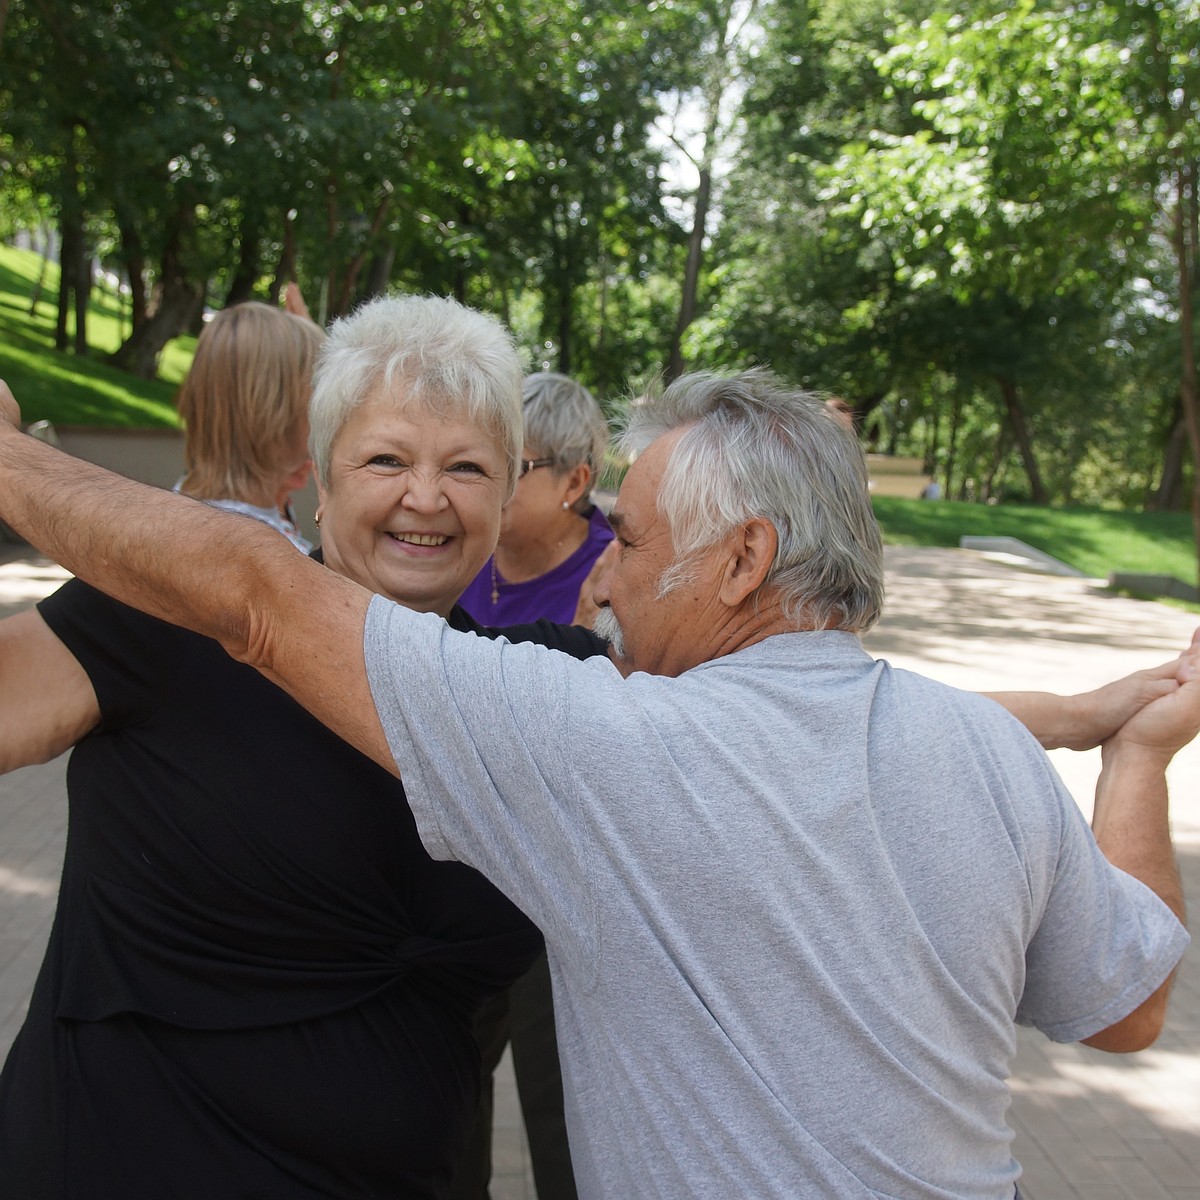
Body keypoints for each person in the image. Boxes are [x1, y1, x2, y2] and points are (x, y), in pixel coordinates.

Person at [0, 372, 1193, 1199]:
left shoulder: (613, 746)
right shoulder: (976, 748)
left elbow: (253, 591)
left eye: (626, 537)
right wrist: (1134, 757)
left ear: (742, 561)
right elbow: (1132, 1007)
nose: (598, 577)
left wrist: (9, 459)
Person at [0, 295, 605, 1199]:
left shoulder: (541, 686)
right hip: (112, 1158)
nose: (427, 497)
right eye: (387, 459)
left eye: (469, 468)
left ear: (507, 491)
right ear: (320, 481)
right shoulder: (175, 616)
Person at [454, 371, 613, 1200]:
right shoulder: (457, 552)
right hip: (458, 871)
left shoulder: (620, 571)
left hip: (563, 888)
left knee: (566, 1128)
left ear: (575, 482)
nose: (477, 481)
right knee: (442, 1100)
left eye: (506, 465)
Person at [458, 371, 613, 628]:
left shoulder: (607, 578)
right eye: (484, 462)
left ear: (573, 483)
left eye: (515, 467)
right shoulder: (461, 535)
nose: (490, 479)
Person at [174, 300, 321, 549]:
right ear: (272, 421)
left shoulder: (191, 495)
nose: (324, 418)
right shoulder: (268, 554)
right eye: (315, 402)